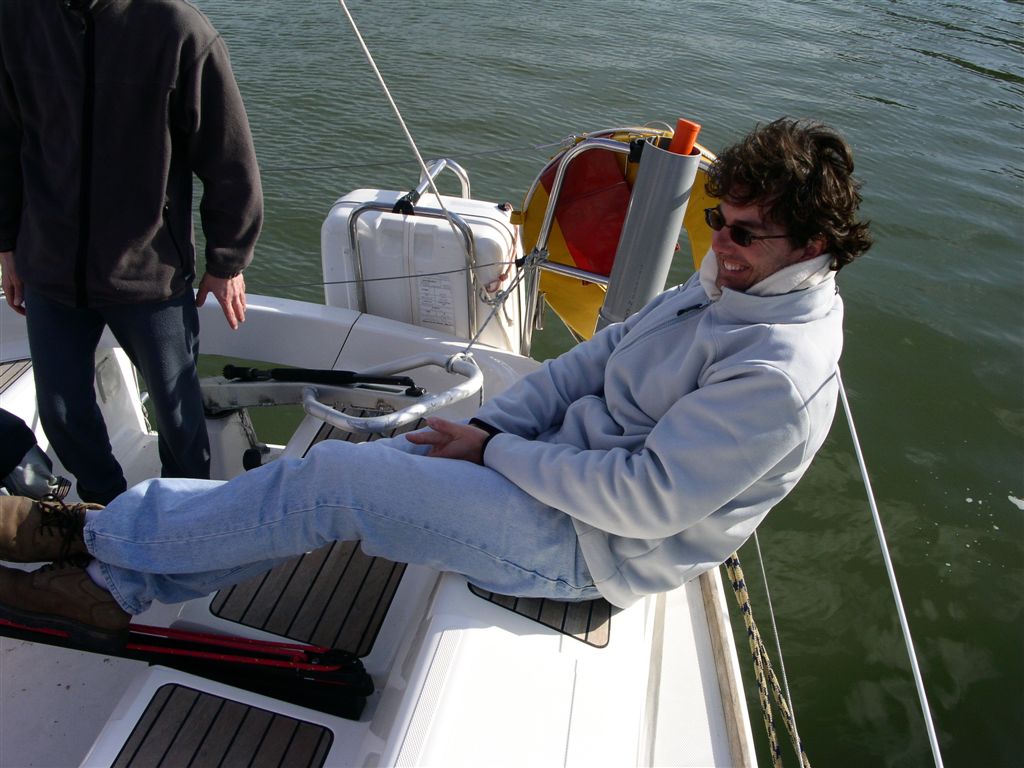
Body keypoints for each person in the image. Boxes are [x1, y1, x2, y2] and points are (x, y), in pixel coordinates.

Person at [0, 117, 872, 646]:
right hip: (545, 470)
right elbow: (593, 361)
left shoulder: (778, 373)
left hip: (588, 548)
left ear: (814, 247)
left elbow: (643, 501)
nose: (720, 242)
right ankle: (115, 577)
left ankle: (90, 542)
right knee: (322, 481)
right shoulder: (728, 284)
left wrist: (494, 454)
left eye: (744, 232)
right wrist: (491, 431)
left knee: (334, 482)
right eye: (717, 218)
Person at [0, 0, 263, 504]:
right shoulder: (17, 20)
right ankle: (104, 508)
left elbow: (229, 156)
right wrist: (7, 244)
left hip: (150, 272)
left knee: (178, 414)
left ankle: (183, 511)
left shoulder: (178, 29)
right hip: (49, 266)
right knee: (61, 412)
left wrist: (228, 260)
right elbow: (5, 143)